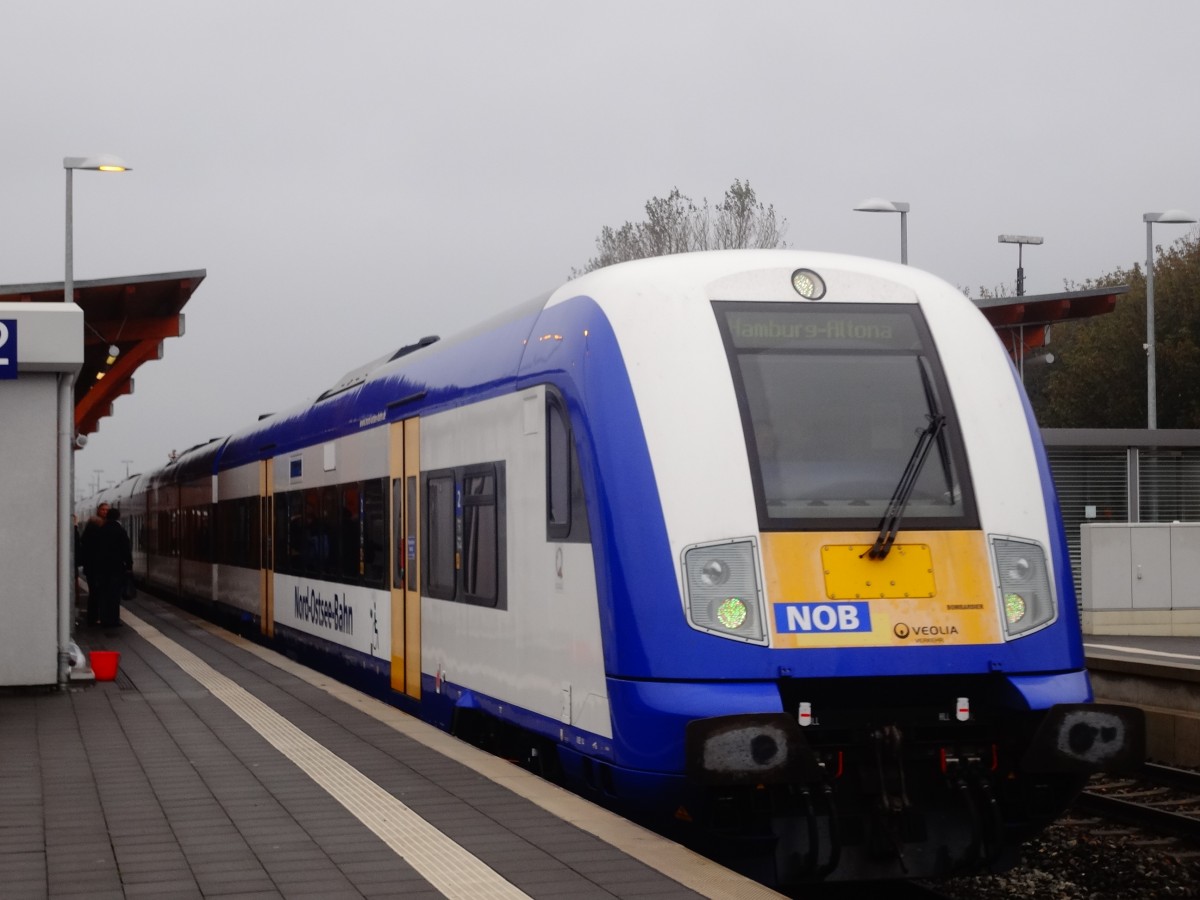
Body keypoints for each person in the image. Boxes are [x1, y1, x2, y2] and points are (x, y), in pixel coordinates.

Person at [93, 507, 133, 627]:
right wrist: (129, 565)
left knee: (104, 593)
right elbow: (126, 549)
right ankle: (114, 619)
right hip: (116, 568)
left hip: (102, 568)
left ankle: (104, 618)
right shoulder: (120, 531)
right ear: (118, 517)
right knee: (115, 595)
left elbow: (96, 550)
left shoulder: (101, 530)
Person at [79, 502, 110, 626]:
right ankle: (94, 617)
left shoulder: (94, 525)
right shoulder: (94, 525)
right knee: (96, 592)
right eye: (103, 510)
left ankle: (94, 616)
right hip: (95, 565)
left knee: (96, 592)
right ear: (98, 511)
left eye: (107, 510)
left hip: (93, 565)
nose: (105, 512)